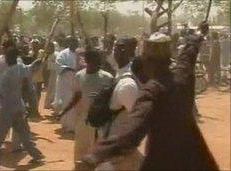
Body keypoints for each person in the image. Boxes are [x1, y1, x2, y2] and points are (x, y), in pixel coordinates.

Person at [82, 22, 219, 171]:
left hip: (163, 162)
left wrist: (95, 155)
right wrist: (198, 35)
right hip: (196, 160)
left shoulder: (152, 92)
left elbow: (130, 132)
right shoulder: (182, 77)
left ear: (147, 61)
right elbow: (188, 55)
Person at [0, 47, 44, 170]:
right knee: (24, 135)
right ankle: (36, 155)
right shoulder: (20, 68)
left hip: (6, 109)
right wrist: (38, 61)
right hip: (18, 107)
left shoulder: (8, 73)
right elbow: (31, 68)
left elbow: (0, 93)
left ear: (9, 58)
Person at [95, 38, 144, 171]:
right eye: (116, 48)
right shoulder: (127, 81)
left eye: (121, 48)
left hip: (116, 137)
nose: (116, 52)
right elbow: (138, 116)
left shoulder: (127, 73)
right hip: (117, 139)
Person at [59, 50, 114, 166]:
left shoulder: (107, 77)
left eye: (99, 61)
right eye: (95, 60)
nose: (98, 63)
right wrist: (64, 111)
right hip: (83, 119)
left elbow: (111, 100)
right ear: (88, 61)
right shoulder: (79, 76)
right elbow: (76, 97)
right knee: (81, 149)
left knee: (97, 149)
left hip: (100, 121)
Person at [53, 36, 79, 132]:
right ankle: (66, 125)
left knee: (76, 104)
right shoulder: (63, 54)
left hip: (76, 82)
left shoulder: (79, 53)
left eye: (76, 42)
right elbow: (59, 66)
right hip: (65, 82)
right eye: (73, 42)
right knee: (67, 102)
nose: (75, 44)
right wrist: (71, 69)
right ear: (69, 43)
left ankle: (73, 126)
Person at [44, 42, 59, 109]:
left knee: (54, 89)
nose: (48, 49)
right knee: (50, 89)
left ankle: (53, 105)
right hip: (50, 75)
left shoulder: (56, 54)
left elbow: (54, 66)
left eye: (50, 47)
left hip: (55, 74)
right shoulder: (47, 55)